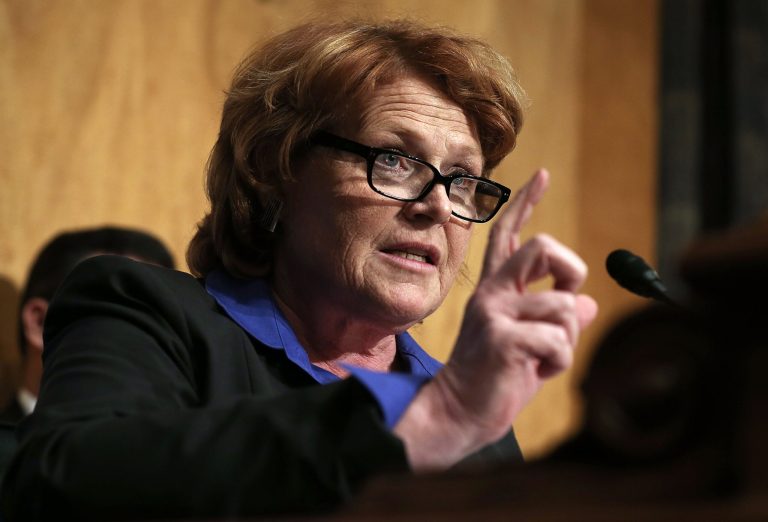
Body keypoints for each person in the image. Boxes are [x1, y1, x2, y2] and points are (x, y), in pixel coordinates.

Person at [2, 19, 597, 520]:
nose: (439, 204)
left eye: (463, 179)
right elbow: (64, 482)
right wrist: (426, 420)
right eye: (395, 160)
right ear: (276, 172)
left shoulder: (471, 406)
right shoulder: (146, 313)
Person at [0, 226, 176, 425]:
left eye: (162, 320)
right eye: (124, 316)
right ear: (40, 323)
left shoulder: (181, 448)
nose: (154, 338)